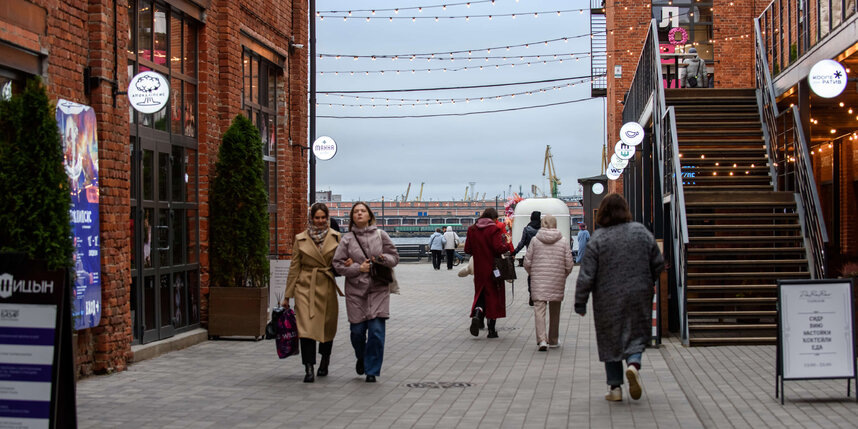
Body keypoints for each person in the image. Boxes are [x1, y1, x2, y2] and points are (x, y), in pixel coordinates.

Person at [574, 194, 664, 402]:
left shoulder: (598, 238)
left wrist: (581, 302)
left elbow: (586, 274)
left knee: (610, 339)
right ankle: (633, 364)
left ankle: (615, 388)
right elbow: (658, 263)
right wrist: (648, 280)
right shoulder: (641, 232)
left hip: (607, 298)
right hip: (639, 293)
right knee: (636, 333)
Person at [333, 202, 399, 383]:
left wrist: (384, 258)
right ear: (352, 217)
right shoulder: (347, 239)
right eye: (356, 212)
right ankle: (361, 357)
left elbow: (395, 257)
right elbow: (337, 265)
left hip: (378, 289)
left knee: (377, 332)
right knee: (357, 332)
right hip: (356, 291)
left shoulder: (381, 235)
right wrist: (357, 268)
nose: (360, 214)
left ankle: (372, 370)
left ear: (370, 215)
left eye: (363, 211)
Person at [283, 203, 343, 383]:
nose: (320, 221)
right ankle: (308, 367)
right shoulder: (300, 238)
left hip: (326, 283)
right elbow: (294, 267)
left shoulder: (336, 237)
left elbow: (340, 262)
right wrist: (287, 295)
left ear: (327, 218)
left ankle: (325, 360)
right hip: (305, 286)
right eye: (317, 218)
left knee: (327, 326)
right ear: (311, 219)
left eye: (323, 218)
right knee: (306, 329)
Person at [524, 214, 574, 351]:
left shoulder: (535, 241)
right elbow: (569, 264)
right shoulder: (563, 241)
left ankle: (542, 340)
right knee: (555, 311)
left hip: (538, 281)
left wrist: (533, 274)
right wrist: (562, 275)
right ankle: (553, 340)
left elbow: (527, 262)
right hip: (557, 281)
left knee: (539, 311)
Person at [464, 208, 510, 338]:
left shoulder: (472, 229)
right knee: (493, 297)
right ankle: (491, 330)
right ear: (493, 218)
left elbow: (467, 249)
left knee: (481, 295)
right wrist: (506, 244)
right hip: (493, 268)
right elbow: (498, 248)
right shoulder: (493, 229)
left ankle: (478, 314)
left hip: (479, 269)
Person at [512, 210, 541, 305]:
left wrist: (515, 252)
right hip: (542, 256)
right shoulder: (543, 229)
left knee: (531, 276)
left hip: (531, 256)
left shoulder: (527, 229)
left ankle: (531, 295)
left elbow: (522, 242)